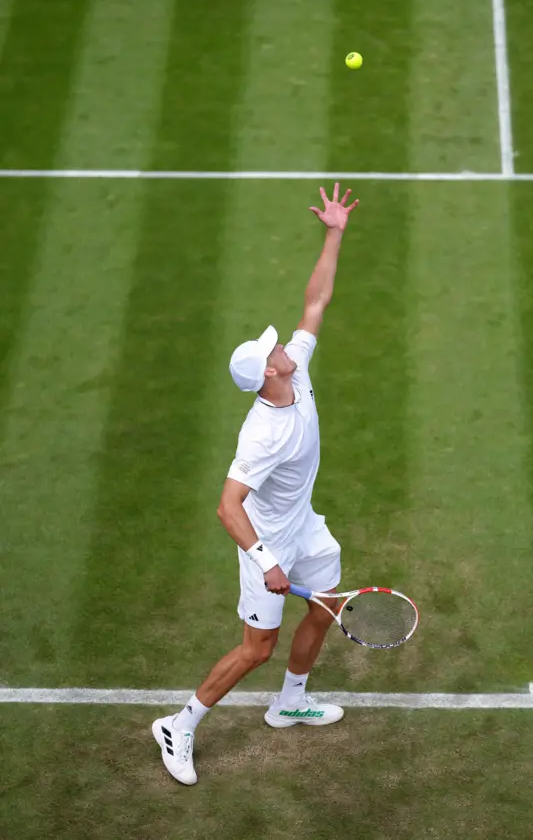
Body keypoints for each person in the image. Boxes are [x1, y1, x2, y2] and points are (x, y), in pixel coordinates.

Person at [152, 182, 359, 785]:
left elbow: (315, 303)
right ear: (269, 372)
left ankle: (290, 701)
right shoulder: (261, 435)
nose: (286, 345)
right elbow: (227, 506)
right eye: (276, 350)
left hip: (305, 526)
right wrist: (266, 559)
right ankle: (179, 724)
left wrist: (334, 233)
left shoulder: (296, 368)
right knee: (255, 649)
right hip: (265, 541)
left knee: (325, 605)